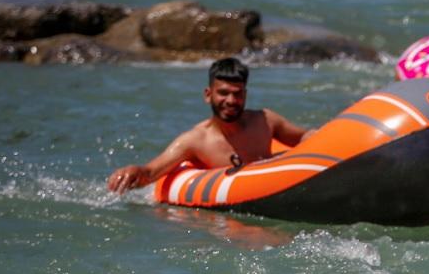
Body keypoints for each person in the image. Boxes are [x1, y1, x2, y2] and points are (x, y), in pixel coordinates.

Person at [106, 57, 312, 193]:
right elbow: (151, 172)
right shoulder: (195, 141)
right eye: (223, 93)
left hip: (277, 189)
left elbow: (305, 138)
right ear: (208, 95)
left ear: (245, 95)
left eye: (237, 94)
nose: (231, 100)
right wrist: (133, 171)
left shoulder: (265, 120)